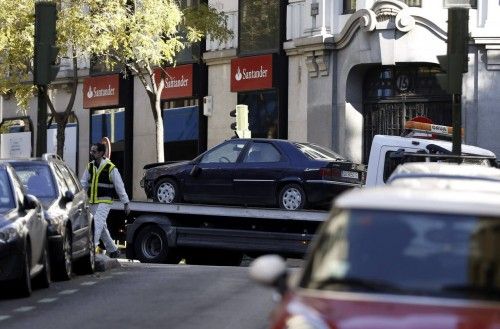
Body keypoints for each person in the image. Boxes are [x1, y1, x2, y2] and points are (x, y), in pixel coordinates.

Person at [80, 143, 130, 258]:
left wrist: (126, 203)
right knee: (102, 228)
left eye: (94, 151)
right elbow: (83, 184)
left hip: (105, 202)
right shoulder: (90, 166)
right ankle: (113, 250)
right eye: (91, 151)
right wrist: (80, 199)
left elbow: (119, 186)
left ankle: (91, 248)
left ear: (101, 153)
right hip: (92, 202)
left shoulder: (110, 167)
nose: (91, 153)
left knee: (97, 223)